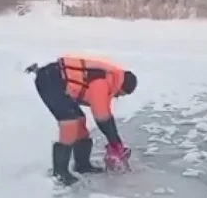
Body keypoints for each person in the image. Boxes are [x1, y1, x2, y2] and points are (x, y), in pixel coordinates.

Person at [25, 55, 138, 185]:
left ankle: (82, 165)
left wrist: (114, 140)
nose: (117, 97)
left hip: (56, 80)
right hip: (50, 80)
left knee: (80, 121)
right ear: (121, 87)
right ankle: (60, 173)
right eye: (120, 94)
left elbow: (104, 114)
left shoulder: (111, 77)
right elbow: (102, 116)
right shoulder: (101, 83)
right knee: (70, 123)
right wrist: (115, 142)